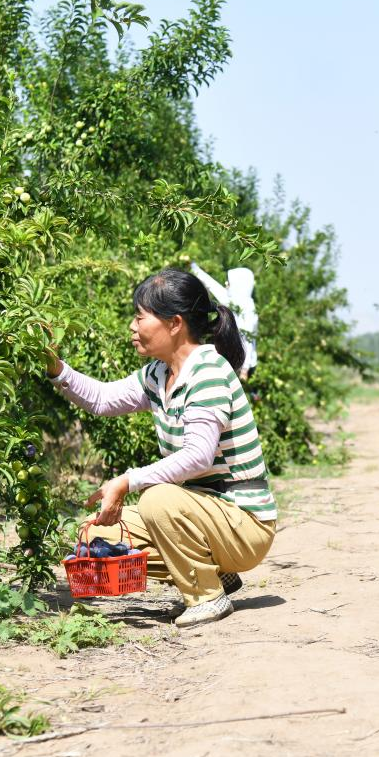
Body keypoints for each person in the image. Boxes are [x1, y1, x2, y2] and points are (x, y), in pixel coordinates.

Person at [45, 269, 275, 627]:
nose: (133, 328)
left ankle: (207, 597)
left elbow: (198, 456)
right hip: (205, 516)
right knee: (97, 532)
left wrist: (127, 480)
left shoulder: (208, 372)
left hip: (244, 523)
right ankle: (215, 573)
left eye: (140, 317)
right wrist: (55, 368)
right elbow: (103, 399)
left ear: (174, 324)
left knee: (156, 499)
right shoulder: (158, 373)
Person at [189, 262, 258, 381]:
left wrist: (244, 370)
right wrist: (194, 267)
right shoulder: (233, 300)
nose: (226, 284)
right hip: (234, 357)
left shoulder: (247, 309)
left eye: (229, 282)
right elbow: (212, 285)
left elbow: (247, 341)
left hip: (244, 363)